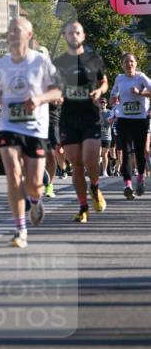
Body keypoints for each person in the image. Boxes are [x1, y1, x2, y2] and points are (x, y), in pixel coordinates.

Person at [0, 17, 62, 249]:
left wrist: (39, 99)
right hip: (9, 126)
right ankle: (20, 229)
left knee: (34, 183)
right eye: (10, 30)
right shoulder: (1, 64)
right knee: (12, 173)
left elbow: (58, 91)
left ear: (29, 35)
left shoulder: (40, 61)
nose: (12, 34)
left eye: (17, 30)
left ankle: (35, 200)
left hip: (35, 128)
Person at [54, 21, 108, 222]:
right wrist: (57, 96)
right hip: (68, 118)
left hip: (90, 117)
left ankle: (95, 186)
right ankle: (83, 207)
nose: (74, 36)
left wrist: (100, 91)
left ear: (83, 35)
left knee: (90, 160)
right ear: (65, 36)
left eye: (77, 32)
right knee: (76, 164)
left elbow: (104, 81)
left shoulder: (94, 59)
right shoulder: (59, 63)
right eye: (70, 33)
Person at [110, 53, 151, 198]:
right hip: (124, 119)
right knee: (126, 153)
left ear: (136, 63)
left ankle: (140, 178)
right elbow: (113, 94)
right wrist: (113, 98)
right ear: (122, 65)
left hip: (140, 120)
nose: (129, 64)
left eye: (132, 61)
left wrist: (140, 93)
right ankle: (128, 185)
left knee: (139, 152)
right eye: (126, 62)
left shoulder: (141, 77)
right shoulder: (119, 78)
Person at [98, 98, 112, 177]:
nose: (102, 104)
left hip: (107, 136)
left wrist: (110, 120)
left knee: (105, 154)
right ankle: (96, 170)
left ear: (106, 104)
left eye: (104, 102)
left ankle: (104, 171)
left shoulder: (110, 112)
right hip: (98, 136)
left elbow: (113, 120)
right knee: (98, 153)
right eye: (101, 102)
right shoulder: (96, 112)